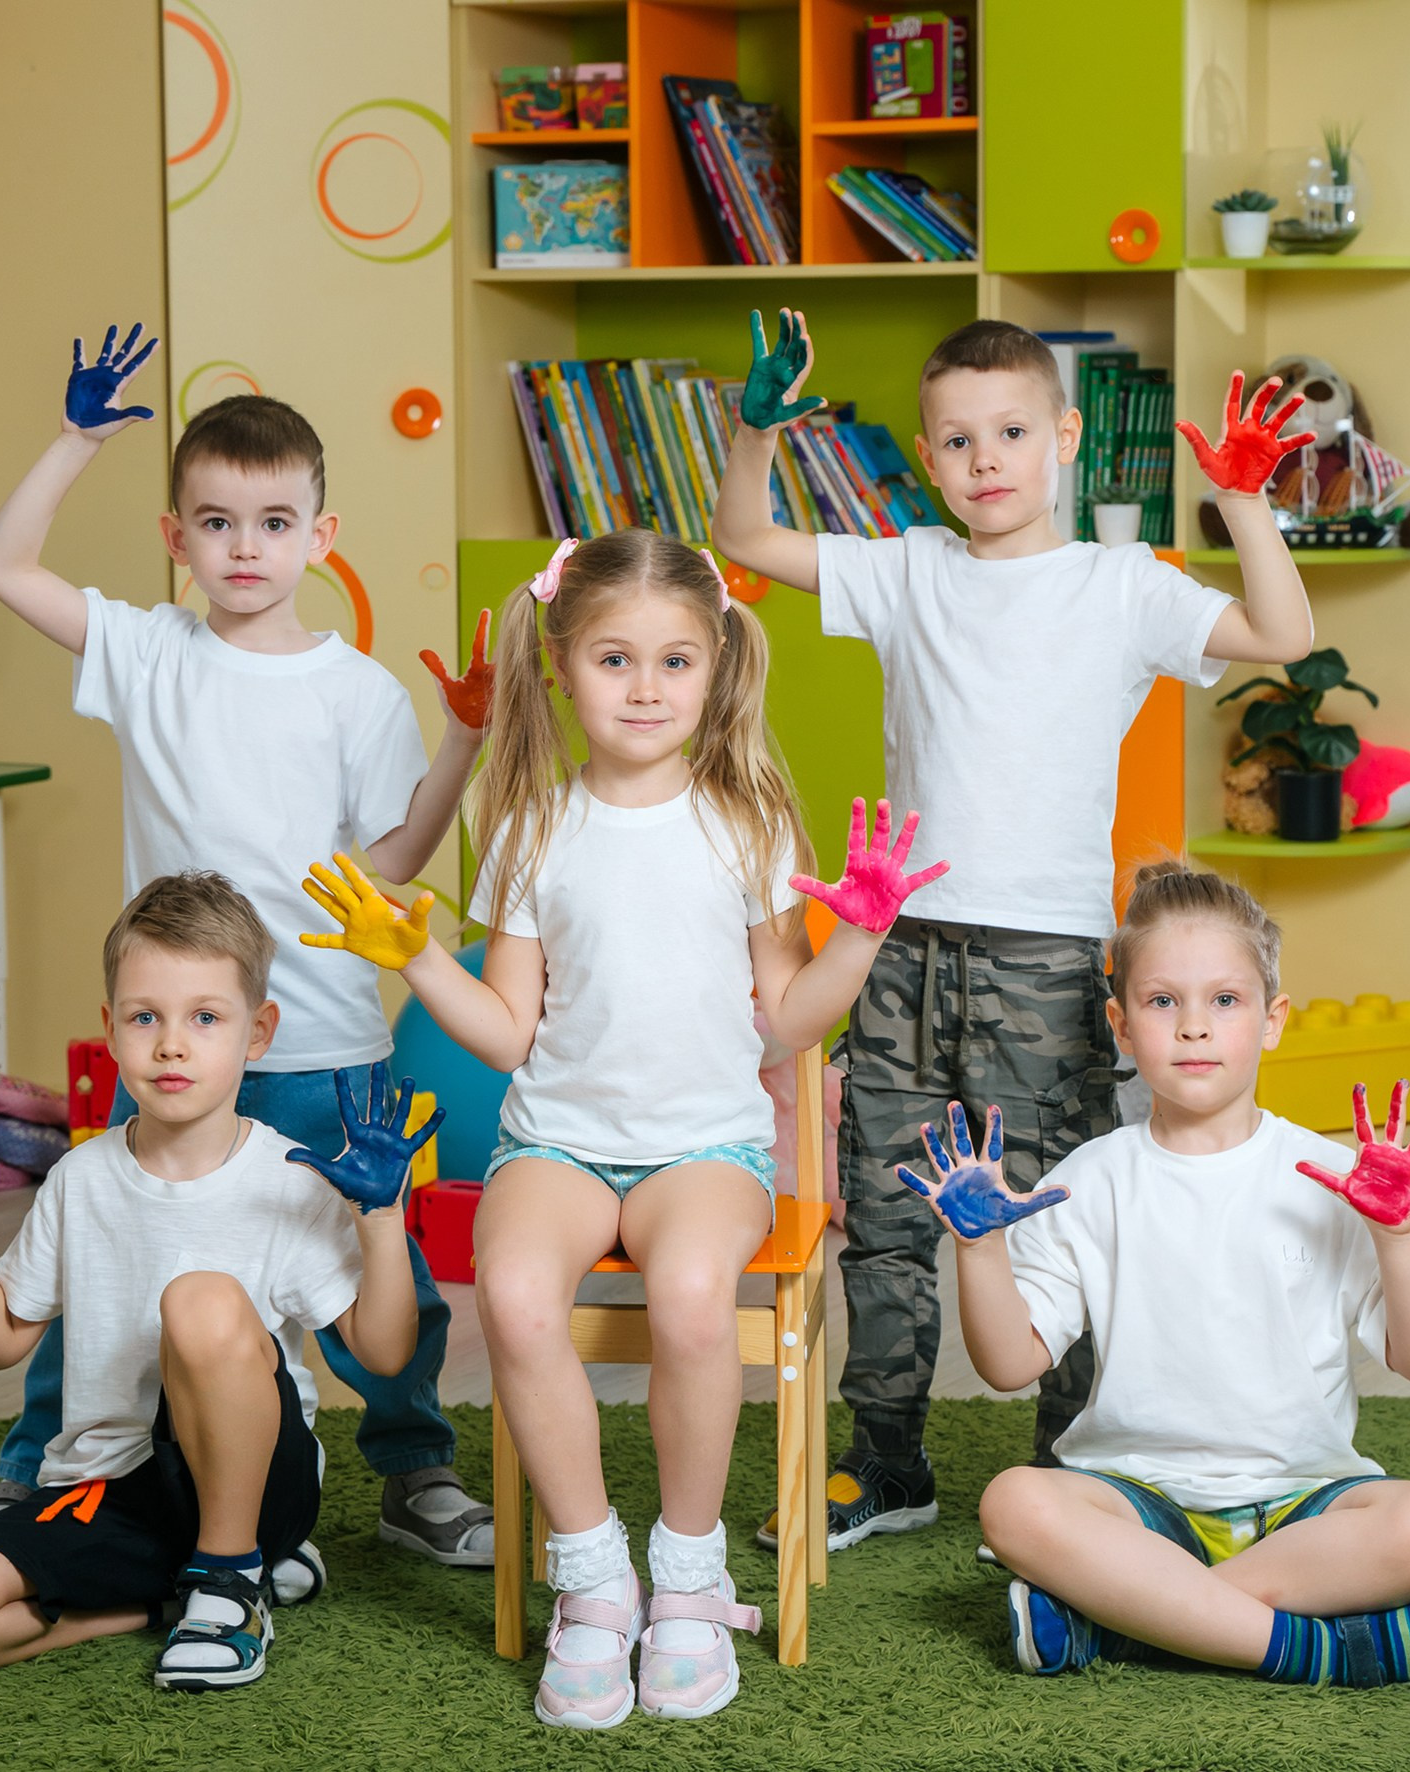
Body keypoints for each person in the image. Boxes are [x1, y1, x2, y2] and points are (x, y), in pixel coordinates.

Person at [300, 529, 947, 1727]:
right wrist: (414, 950)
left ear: (714, 669)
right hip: (554, 1141)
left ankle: (689, 1577)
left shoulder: (746, 824)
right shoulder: (531, 828)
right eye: (613, 658)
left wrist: (858, 932)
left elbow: (787, 1020)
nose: (645, 687)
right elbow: (504, 1032)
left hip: (707, 1144)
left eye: (673, 660)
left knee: (695, 1294)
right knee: (517, 1294)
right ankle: (593, 1578)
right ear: (559, 662)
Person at [711, 310, 1319, 1551]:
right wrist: (753, 429)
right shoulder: (906, 568)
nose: (983, 458)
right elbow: (740, 537)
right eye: (955, 439)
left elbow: (1280, 636)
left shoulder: (1121, 584)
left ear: (1064, 437)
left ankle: (1071, 1467)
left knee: (1048, 1207)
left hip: (1044, 956)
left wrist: (1245, 504)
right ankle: (884, 1459)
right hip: (894, 939)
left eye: (1008, 432)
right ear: (927, 458)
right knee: (881, 1214)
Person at [0, 324, 494, 1569]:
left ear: (322, 535)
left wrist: (463, 743)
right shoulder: (145, 652)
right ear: (174, 538)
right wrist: (77, 439)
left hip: (323, 1039)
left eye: (271, 521)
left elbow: (397, 860)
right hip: (172, 1036)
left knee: (387, 1274)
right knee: (103, 1256)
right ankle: (38, 1471)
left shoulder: (356, 687)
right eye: (213, 521)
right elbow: (0, 562)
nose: (242, 547)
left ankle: (412, 1467)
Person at [897, 860, 1410, 1691]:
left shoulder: (1333, 1175)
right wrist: (978, 1249)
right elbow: (1011, 1365)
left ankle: (1127, 1623)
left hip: (1309, 1507)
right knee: (1015, 1503)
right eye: (1162, 1002)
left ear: (1272, 1020)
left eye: (1225, 1000)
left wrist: (1398, 1235)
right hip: (1138, 1503)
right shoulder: (1091, 1178)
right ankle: (1329, 1651)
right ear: (1120, 1023)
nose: (1194, 1027)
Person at [0, 872, 434, 1690]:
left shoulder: (289, 1175)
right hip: (110, 1486)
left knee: (199, 1298)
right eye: (146, 1017)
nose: (172, 1044)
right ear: (111, 1028)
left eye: (205, 1018)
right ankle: (161, 1604)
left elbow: (385, 1354)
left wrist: (381, 1220)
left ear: (258, 1032)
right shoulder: (80, 1178)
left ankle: (231, 1580)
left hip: (257, 1481)